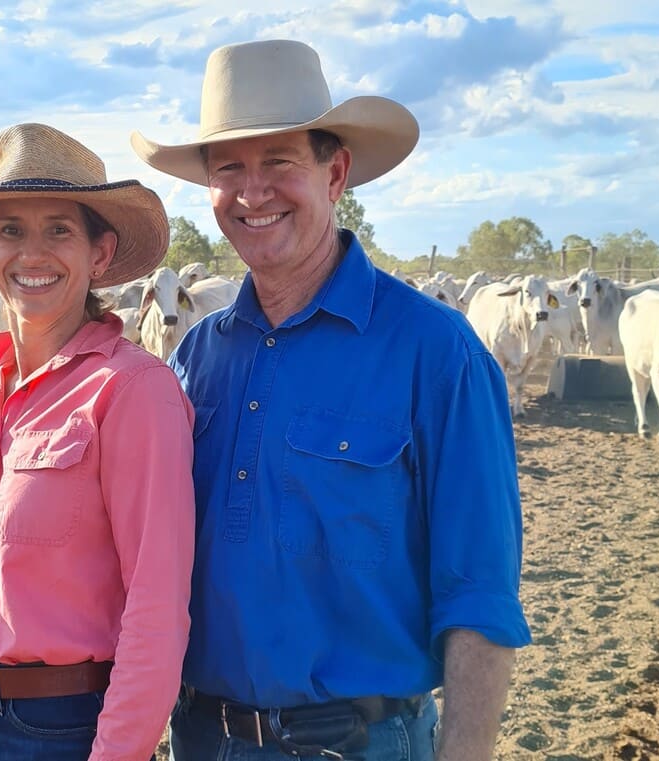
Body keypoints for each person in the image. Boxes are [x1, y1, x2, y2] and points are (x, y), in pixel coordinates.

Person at [130, 40, 531, 761]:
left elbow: (479, 593)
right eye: (228, 168)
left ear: (334, 171)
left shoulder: (435, 352)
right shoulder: (198, 355)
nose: (252, 192)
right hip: (199, 739)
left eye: (278, 161)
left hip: (355, 745)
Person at [0, 122, 194, 761]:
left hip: (58, 730)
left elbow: (157, 607)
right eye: (12, 230)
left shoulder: (133, 391)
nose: (33, 253)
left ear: (101, 254)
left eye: (59, 229)